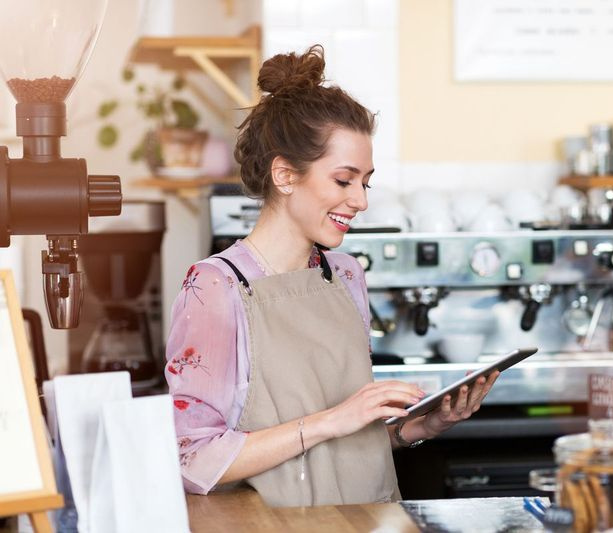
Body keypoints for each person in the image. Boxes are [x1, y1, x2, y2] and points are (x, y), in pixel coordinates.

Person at [165, 45, 499, 508]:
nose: (360, 201)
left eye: (366, 181)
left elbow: (350, 442)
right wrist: (330, 420)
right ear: (284, 175)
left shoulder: (344, 274)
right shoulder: (215, 287)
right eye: (344, 181)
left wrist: (418, 428)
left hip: (371, 517)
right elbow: (190, 458)